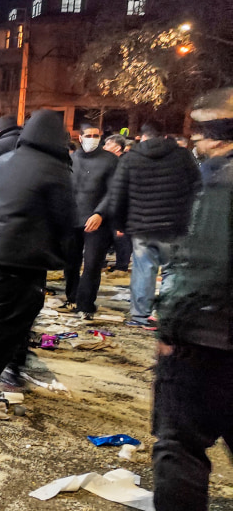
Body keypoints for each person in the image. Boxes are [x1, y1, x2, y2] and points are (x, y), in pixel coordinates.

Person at [0, 110, 76, 418]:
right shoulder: (54, 169)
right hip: (24, 257)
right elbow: (66, 218)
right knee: (5, 323)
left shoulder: (2, 161)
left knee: (4, 319)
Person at [151, 88, 233, 511]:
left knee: (180, 446)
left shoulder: (222, 182)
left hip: (207, 339)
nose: (195, 141)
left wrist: (170, 326)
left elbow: (208, 264)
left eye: (200, 130)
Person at [109, 121, 201, 329]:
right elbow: (197, 187)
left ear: (142, 136)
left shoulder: (131, 158)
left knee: (143, 270)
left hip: (142, 225)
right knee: (172, 271)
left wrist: (119, 224)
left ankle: (141, 316)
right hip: (175, 224)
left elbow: (118, 194)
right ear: (164, 135)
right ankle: (165, 314)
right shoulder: (182, 156)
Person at [61, 125, 119, 321]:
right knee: (70, 262)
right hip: (72, 219)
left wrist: (100, 213)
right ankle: (72, 297)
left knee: (92, 263)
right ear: (80, 137)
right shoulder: (71, 159)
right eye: (88, 135)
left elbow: (113, 191)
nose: (92, 138)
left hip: (97, 220)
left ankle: (85, 304)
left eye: (96, 135)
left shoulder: (110, 160)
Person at [101, 134, 132, 272]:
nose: (104, 147)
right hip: (107, 206)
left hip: (120, 207)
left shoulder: (124, 164)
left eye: (108, 144)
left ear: (117, 148)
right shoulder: (108, 162)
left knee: (121, 238)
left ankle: (121, 266)